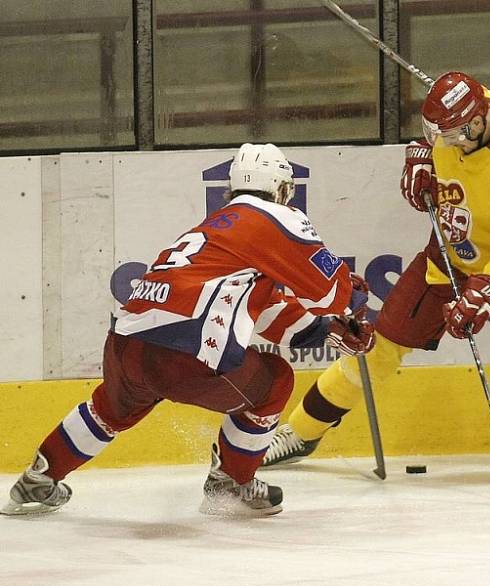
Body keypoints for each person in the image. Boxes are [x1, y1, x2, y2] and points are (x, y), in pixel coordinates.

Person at [261, 72, 490, 489]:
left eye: (454, 136)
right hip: (451, 254)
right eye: (438, 135)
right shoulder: (461, 120)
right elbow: (434, 139)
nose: (448, 143)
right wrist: (421, 156)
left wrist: (489, 288)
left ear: (478, 123)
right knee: (377, 345)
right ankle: (301, 433)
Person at [0, 142, 374, 518]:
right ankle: (232, 481)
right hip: (185, 351)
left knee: (110, 410)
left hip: (126, 343)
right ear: (281, 188)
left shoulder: (216, 231)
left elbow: (265, 311)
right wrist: (351, 302)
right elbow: (331, 291)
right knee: (275, 380)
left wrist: (325, 330)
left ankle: (39, 478)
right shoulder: (277, 216)